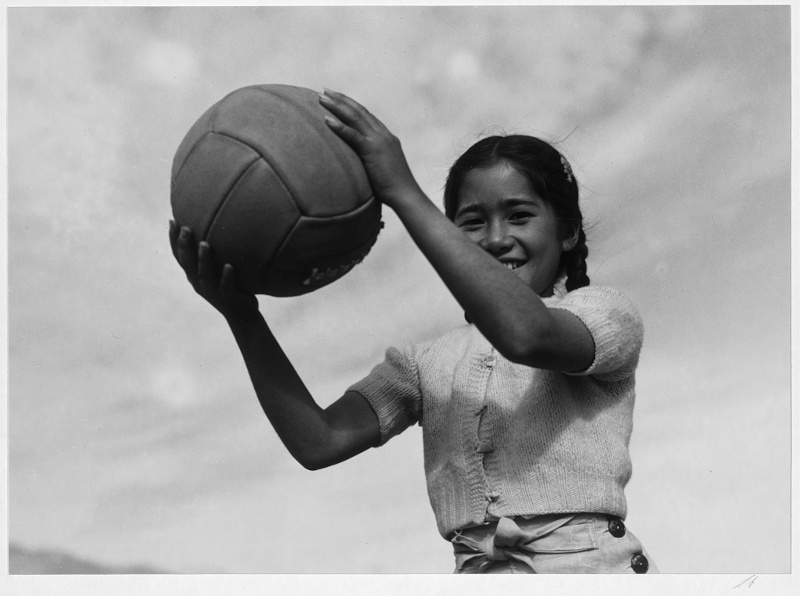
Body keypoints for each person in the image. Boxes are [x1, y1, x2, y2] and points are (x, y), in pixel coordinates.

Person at [169, 89, 658, 574]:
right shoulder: (423, 365)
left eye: (519, 215)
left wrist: (402, 191)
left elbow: (526, 335)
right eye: (471, 222)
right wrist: (241, 315)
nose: (495, 238)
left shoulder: (604, 315)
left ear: (568, 231)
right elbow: (321, 442)